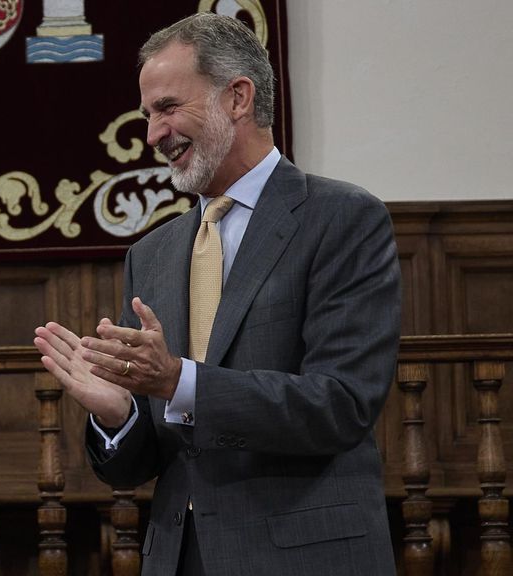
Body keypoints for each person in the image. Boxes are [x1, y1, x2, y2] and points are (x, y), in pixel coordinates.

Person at [34, 13, 399, 576]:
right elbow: (150, 459)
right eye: (148, 115)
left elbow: (341, 405)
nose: (154, 134)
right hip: (183, 559)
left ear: (238, 98)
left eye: (167, 108)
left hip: (306, 556)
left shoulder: (343, 219)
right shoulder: (151, 254)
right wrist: (121, 417)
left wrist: (177, 381)